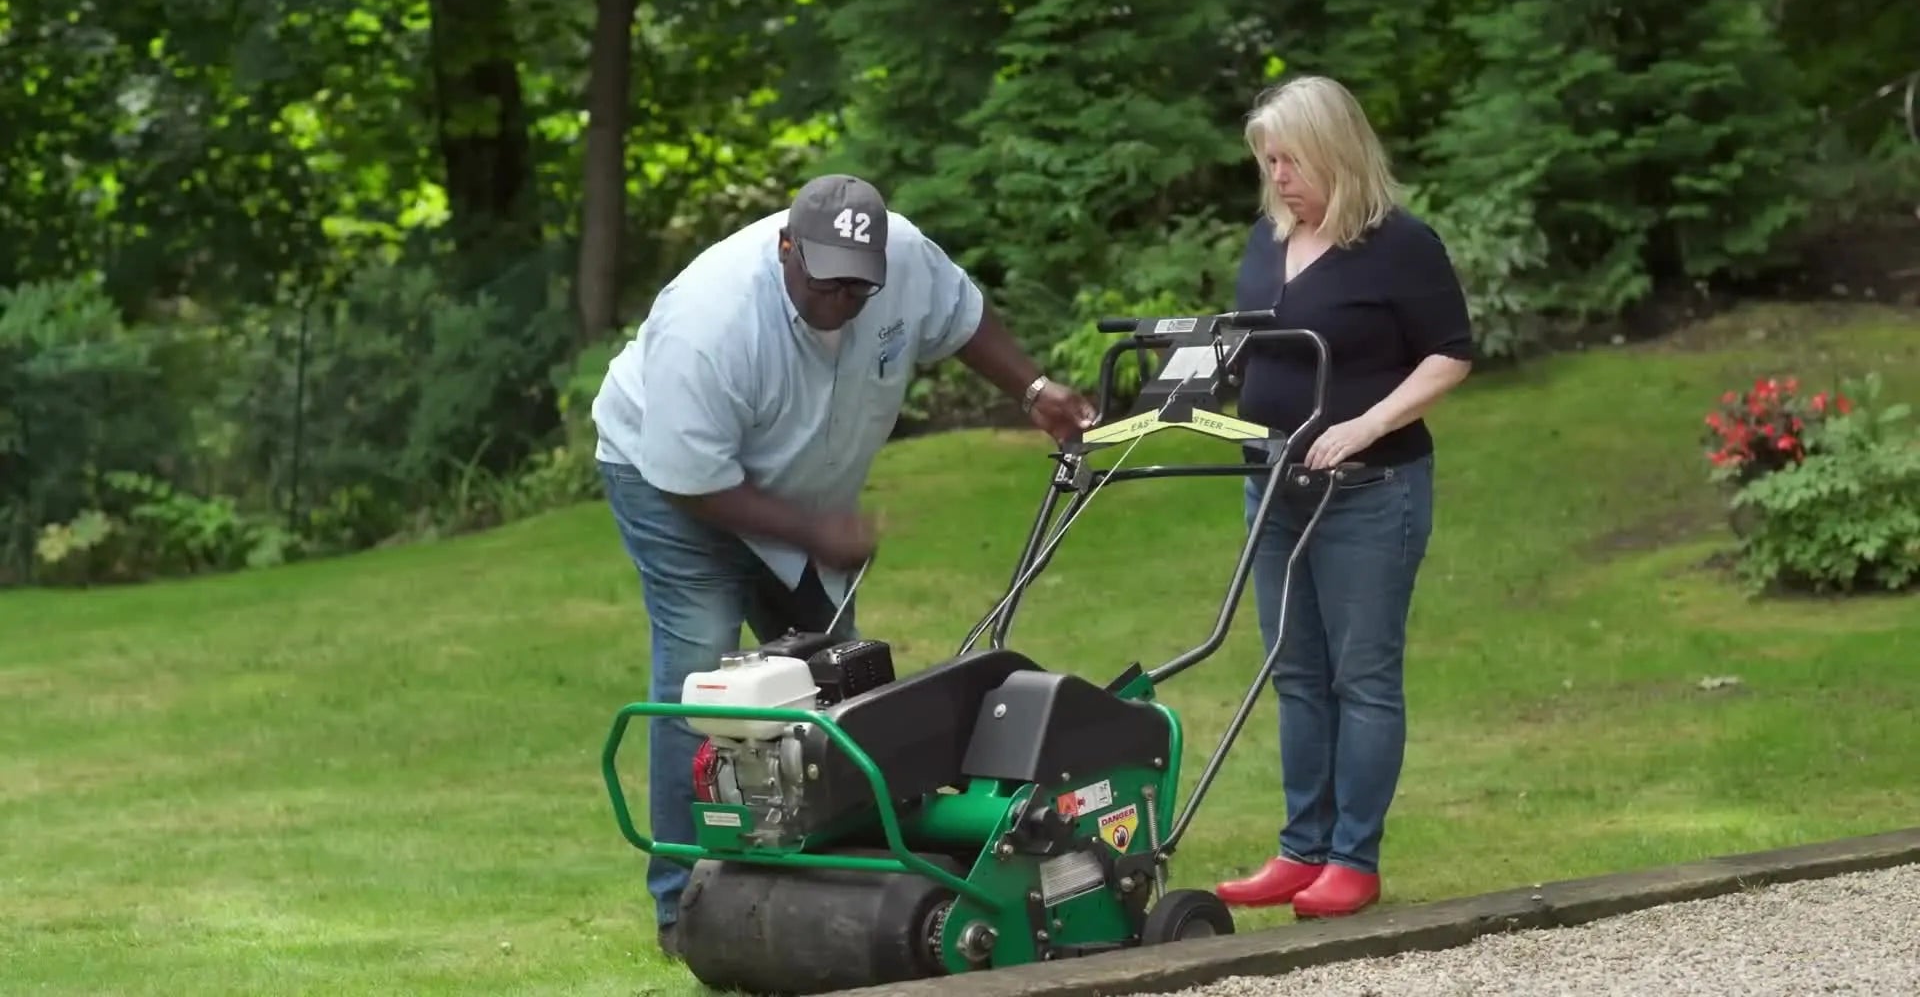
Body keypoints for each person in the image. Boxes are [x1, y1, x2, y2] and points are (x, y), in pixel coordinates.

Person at [590, 173, 1096, 957]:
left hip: (798, 492)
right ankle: (679, 902)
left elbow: (960, 319)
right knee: (701, 672)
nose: (846, 300)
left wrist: (1032, 389)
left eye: (863, 286)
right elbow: (689, 480)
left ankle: (838, 871)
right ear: (786, 249)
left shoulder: (903, 260)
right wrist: (813, 533)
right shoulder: (712, 322)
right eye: (827, 283)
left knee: (840, 675)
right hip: (671, 486)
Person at [1213, 76, 1474, 919]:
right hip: (1273, 487)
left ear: (1337, 152)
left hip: (1371, 491)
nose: (1278, 175)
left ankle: (1353, 860)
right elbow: (1253, 343)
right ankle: (1301, 850)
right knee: (1296, 672)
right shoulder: (1268, 238)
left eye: (1291, 158)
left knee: (1362, 677)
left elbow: (1449, 354)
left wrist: (1365, 425)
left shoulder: (1400, 245)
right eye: (1269, 159)